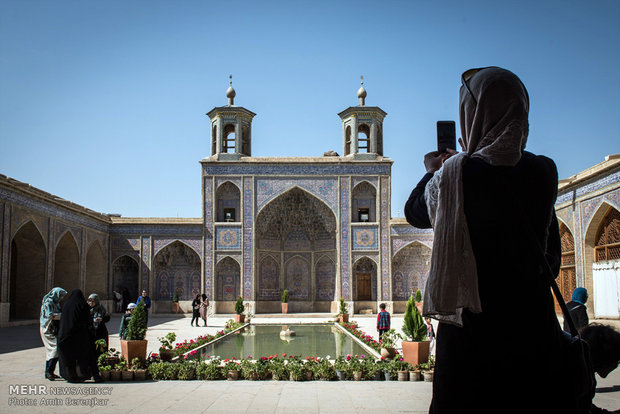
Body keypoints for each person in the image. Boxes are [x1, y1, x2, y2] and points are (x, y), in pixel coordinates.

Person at [405, 67, 573, 412]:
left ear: (473, 114)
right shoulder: (543, 170)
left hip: (472, 333)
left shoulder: (457, 173)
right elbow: (551, 259)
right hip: (531, 328)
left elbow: (414, 213)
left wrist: (434, 170)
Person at [57, 289, 101, 383]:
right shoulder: (82, 305)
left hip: (64, 335)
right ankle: (92, 375)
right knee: (88, 354)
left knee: (68, 357)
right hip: (79, 335)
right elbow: (87, 320)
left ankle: (71, 376)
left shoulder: (66, 305)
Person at [581, 323, 620, 414]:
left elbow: (586, 407)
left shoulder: (584, 372)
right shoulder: (582, 379)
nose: (616, 365)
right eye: (617, 361)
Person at [40, 287, 67, 381]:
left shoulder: (56, 303)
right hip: (47, 329)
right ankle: (49, 372)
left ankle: (49, 372)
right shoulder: (48, 302)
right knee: (55, 349)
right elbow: (50, 315)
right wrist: (64, 315)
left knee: (52, 351)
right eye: (60, 296)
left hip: (53, 329)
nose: (61, 298)